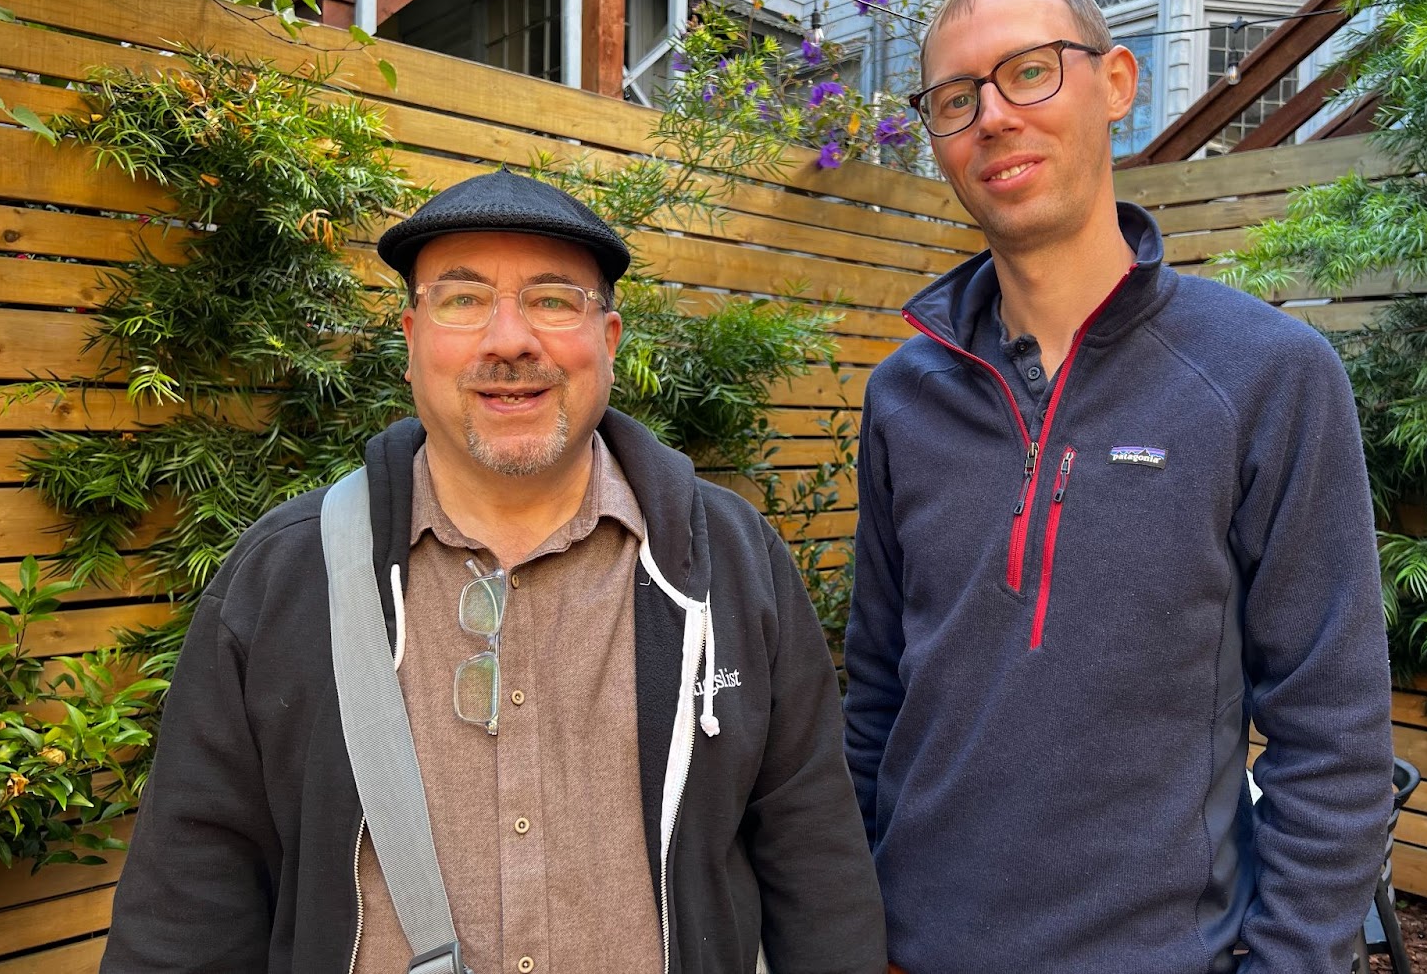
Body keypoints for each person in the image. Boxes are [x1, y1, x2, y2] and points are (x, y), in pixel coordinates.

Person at [102, 169, 885, 974]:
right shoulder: (286, 575)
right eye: (463, 299)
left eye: (553, 300)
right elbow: (188, 901)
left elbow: (816, 859)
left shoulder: (732, 561)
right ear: (411, 342)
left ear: (609, 341)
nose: (509, 341)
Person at [843, 0, 1395, 973]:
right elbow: (877, 693)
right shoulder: (902, 398)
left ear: (1116, 83)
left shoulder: (1266, 375)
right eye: (955, 99)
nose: (993, 117)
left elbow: (1334, 735)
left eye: (1029, 71)